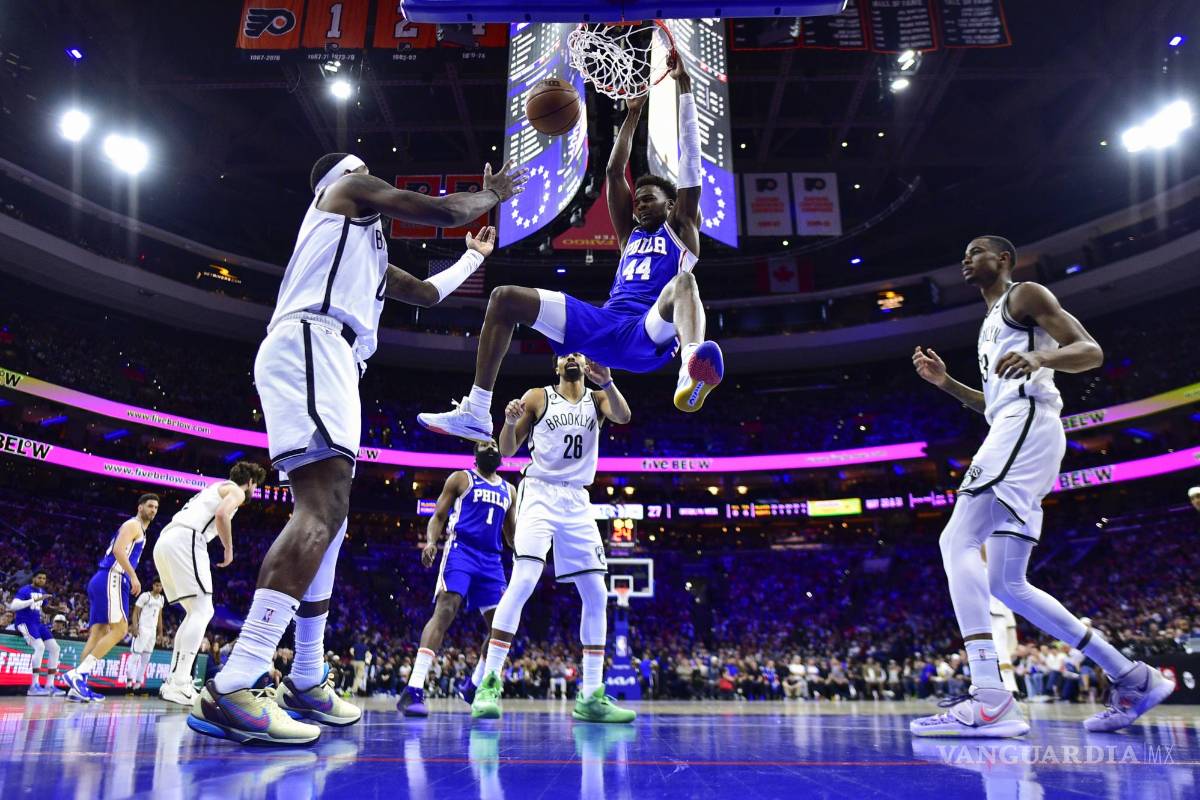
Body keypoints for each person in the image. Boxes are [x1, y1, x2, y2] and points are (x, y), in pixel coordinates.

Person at [187, 152, 526, 746]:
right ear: (344, 178)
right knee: (320, 509)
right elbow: (441, 210)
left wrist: (474, 256)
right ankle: (236, 682)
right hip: (313, 341)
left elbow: (422, 292)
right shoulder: (345, 193)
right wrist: (491, 193)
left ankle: (309, 675)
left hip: (335, 358)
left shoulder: (364, 251)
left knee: (333, 520)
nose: (374, 185)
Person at [910, 235, 1174, 737]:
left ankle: (989, 697)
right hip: (1013, 427)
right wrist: (947, 384)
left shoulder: (1024, 295)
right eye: (963, 252)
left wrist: (1043, 360)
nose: (966, 258)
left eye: (977, 251)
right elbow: (992, 403)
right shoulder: (989, 325)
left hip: (1026, 427)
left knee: (956, 539)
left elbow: (1090, 351)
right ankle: (1132, 677)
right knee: (1007, 584)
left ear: (1004, 259)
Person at [418, 54, 722, 445]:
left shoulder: (681, 230)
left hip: (649, 334)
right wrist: (632, 113)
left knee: (684, 282)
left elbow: (690, 164)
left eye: (650, 199)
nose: (642, 203)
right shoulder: (630, 237)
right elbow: (614, 173)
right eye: (639, 199)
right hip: (605, 326)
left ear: (671, 206)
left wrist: (684, 87)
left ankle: (691, 367)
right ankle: (476, 411)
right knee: (504, 298)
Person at [469, 353, 635, 723]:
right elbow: (507, 448)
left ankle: (591, 694)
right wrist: (510, 423)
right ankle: (489, 682)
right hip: (540, 493)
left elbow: (624, 416)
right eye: (564, 354)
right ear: (556, 366)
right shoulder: (538, 396)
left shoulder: (599, 398)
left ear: (586, 361)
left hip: (577, 499)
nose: (571, 357)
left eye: (577, 351)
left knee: (597, 593)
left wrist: (607, 380)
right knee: (524, 579)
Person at [397, 440, 516, 717]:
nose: (490, 447)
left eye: (494, 444)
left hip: (492, 561)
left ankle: (473, 686)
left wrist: (529, 553)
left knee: (502, 626)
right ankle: (413, 689)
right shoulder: (461, 478)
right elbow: (438, 515)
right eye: (484, 444)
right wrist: (430, 542)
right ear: (475, 454)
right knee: (445, 611)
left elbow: (511, 535)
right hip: (461, 551)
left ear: (501, 455)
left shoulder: (509, 489)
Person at [153, 462, 266, 705]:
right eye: (255, 487)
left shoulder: (214, 488)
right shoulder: (235, 490)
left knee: (195, 612)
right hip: (187, 538)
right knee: (203, 610)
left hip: (166, 540)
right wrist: (229, 547)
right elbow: (222, 514)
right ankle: (181, 681)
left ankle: (174, 681)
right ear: (251, 483)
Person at [64, 493, 159, 702]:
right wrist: (133, 576)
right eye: (150, 506)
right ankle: (78, 675)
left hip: (103, 578)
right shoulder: (133, 525)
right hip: (112, 577)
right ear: (140, 506)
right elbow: (118, 550)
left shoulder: (140, 530)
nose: (153, 510)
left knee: (98, 633)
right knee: (121, 629)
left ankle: (77, 686)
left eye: (156, 507)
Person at [9, 570, 61, 696]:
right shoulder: (25, 590)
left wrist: (57, 609)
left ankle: (49, 685)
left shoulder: (41, 592)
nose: (42, 580)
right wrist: (34, 600)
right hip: (24, 623)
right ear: (33, 578)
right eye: (40, 578)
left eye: (44, 578)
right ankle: (34, 686)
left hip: (37, 624)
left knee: (55, 648)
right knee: (40, 647)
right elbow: (13, 606)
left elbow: (44, 608)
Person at [128, 578, 166, 693]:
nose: (158, 588)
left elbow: (159, 617)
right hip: (142, 628)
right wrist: (134, 627)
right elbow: (135, 612)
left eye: (160, 586)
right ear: (153, 585)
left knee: (146, 658)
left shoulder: (162, 599)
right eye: (156, 585)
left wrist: (161, 633)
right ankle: (129, 681)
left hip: (152, 631)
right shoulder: (145, 596)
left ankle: (138, 684)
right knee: (135, 656)